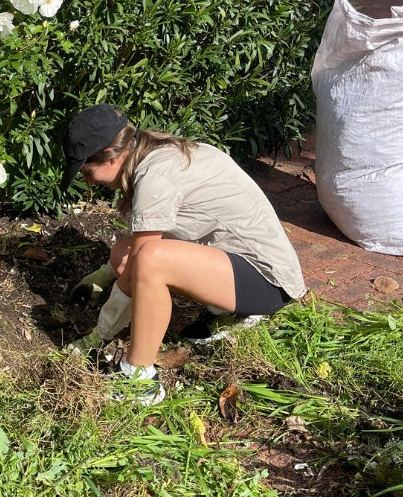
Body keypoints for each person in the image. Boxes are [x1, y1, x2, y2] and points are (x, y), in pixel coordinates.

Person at [60, 104, 306, 406]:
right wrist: (102, 277)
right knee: (123, 254)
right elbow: (131, 257)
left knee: (150, 260)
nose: (88, 180)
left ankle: (139, 380)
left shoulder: (156, 175)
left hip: (267, 280)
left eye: (87, 170)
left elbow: (143, 261)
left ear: (112, 153)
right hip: (234, 262)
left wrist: (98, 336)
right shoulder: (159, 152)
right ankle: (225, 311)